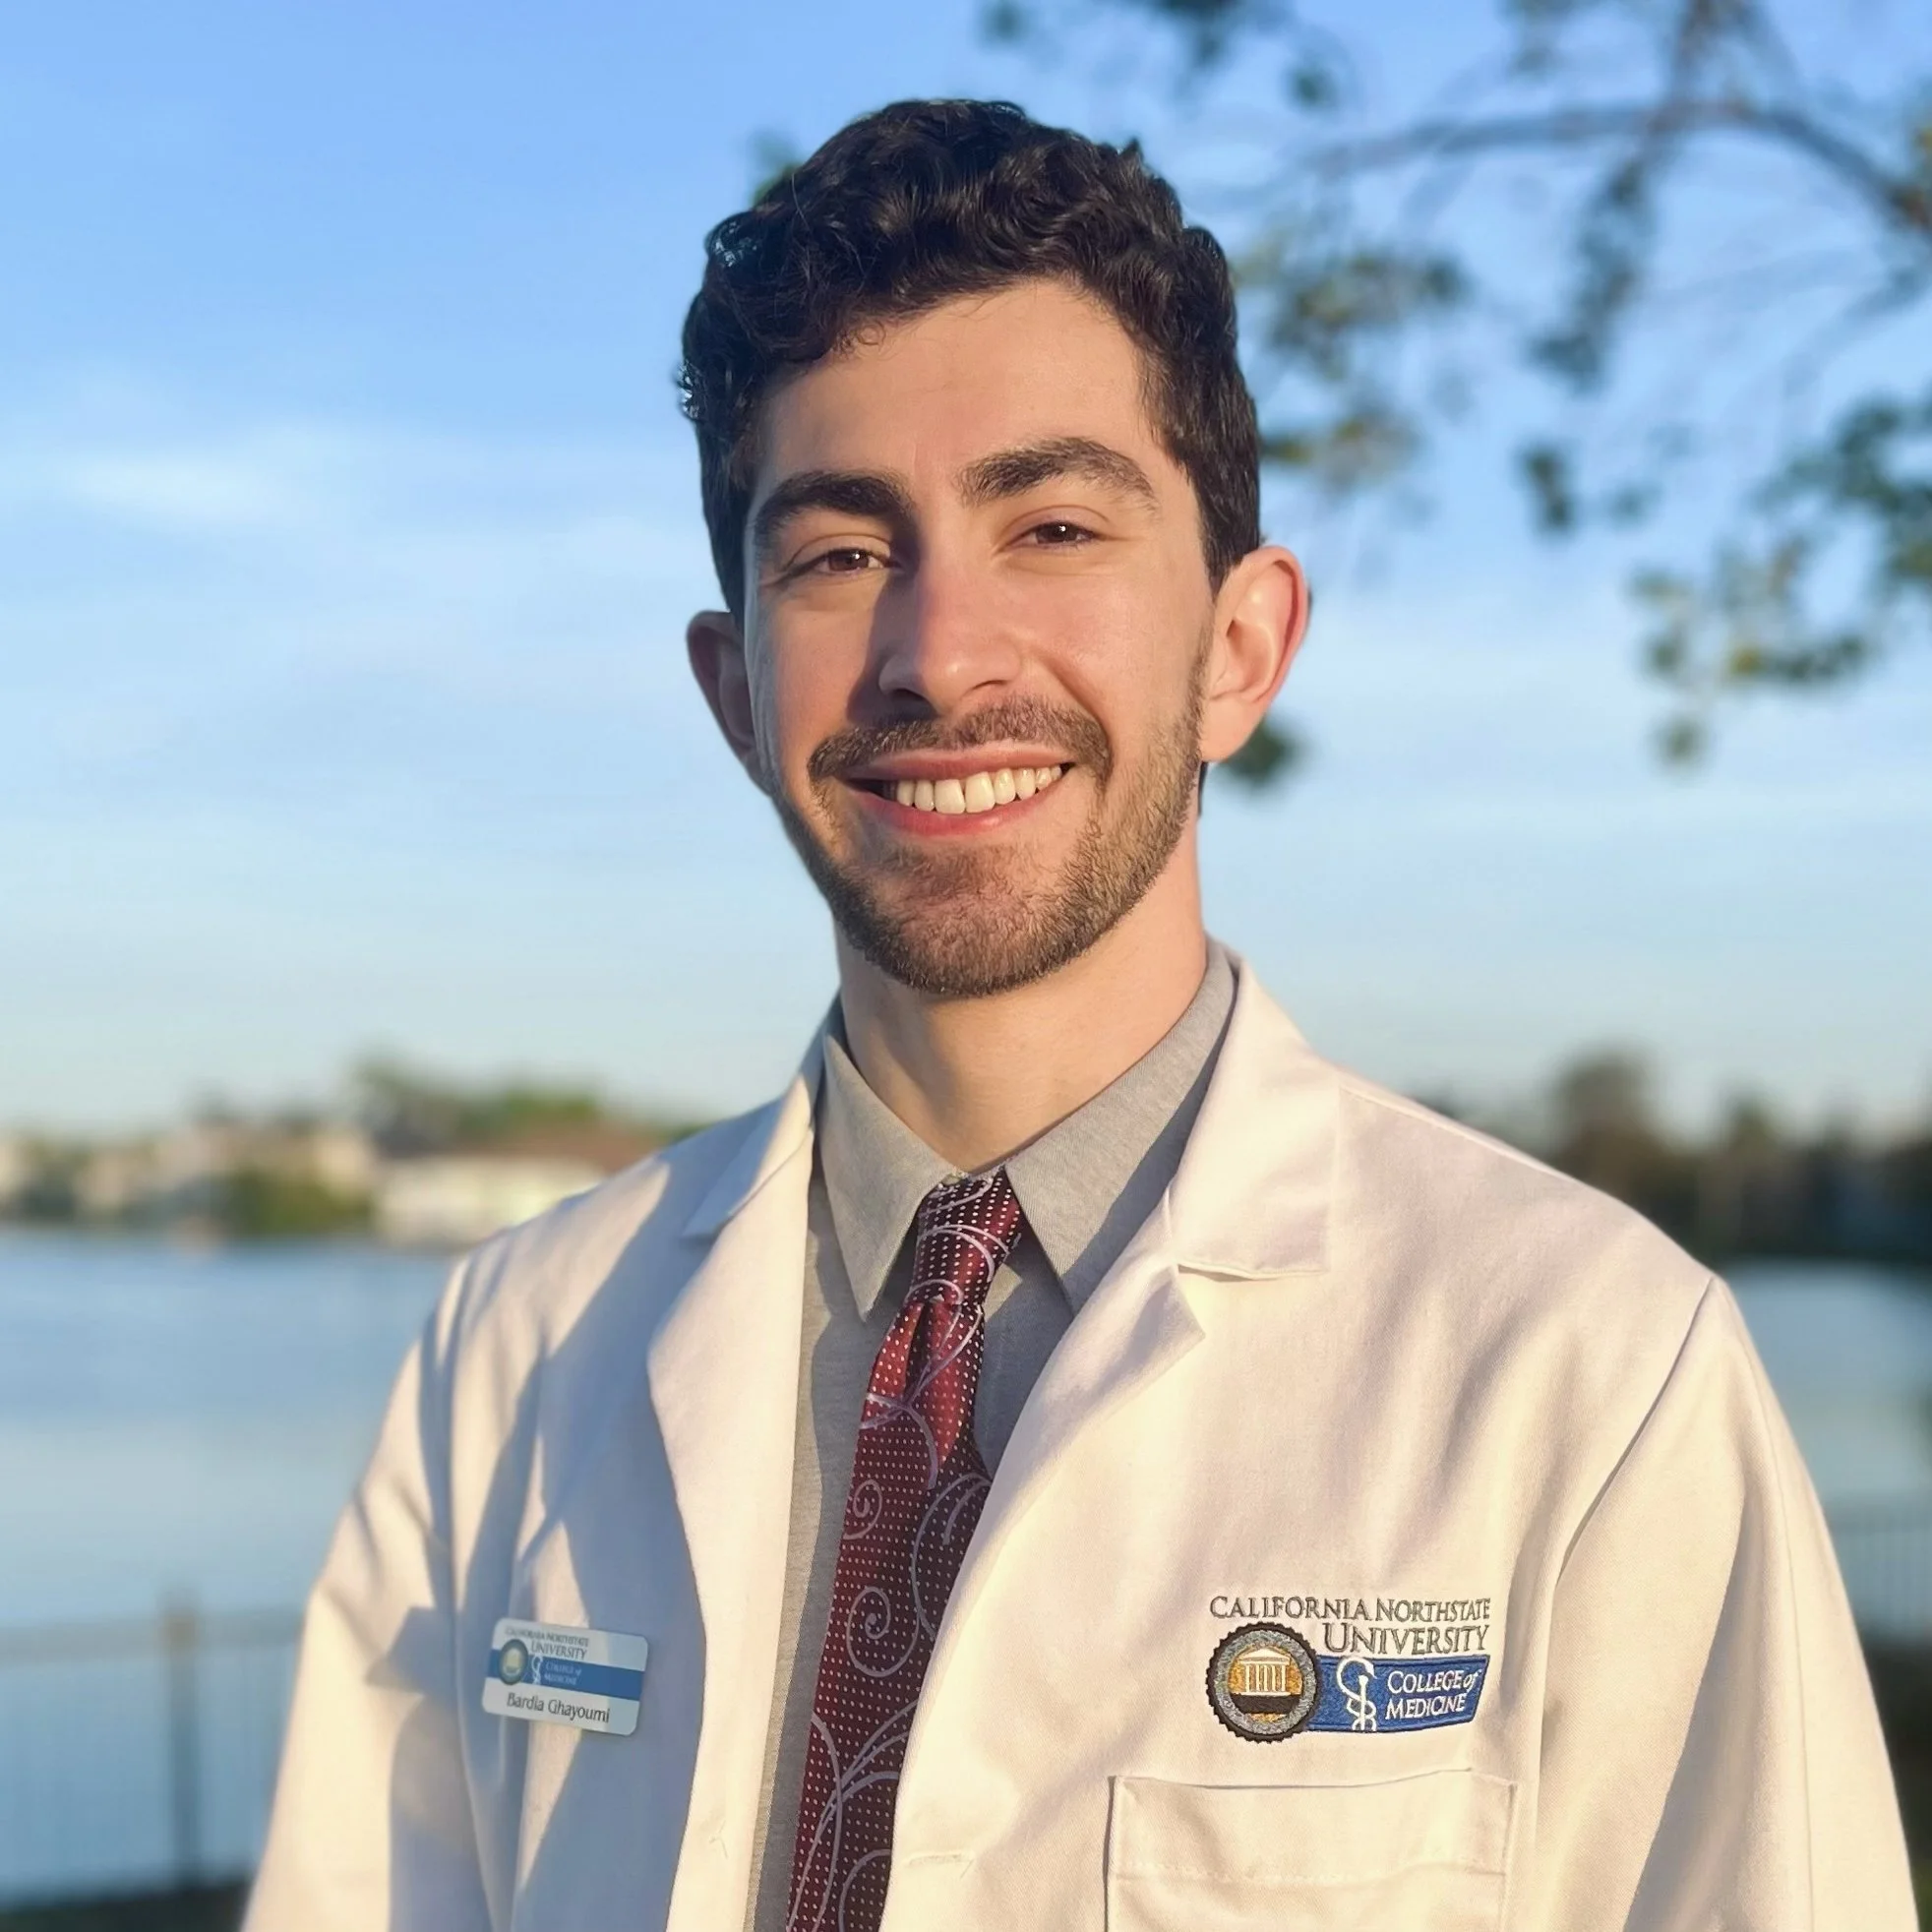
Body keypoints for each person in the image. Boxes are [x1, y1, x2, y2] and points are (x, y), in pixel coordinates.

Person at [246, 99, 1913, 1932]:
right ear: (734, 693)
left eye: (1048, 523)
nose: (941, 652)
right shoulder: (512, 1357)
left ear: (1239, 646)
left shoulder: (1589, 1375)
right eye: (836, 552)